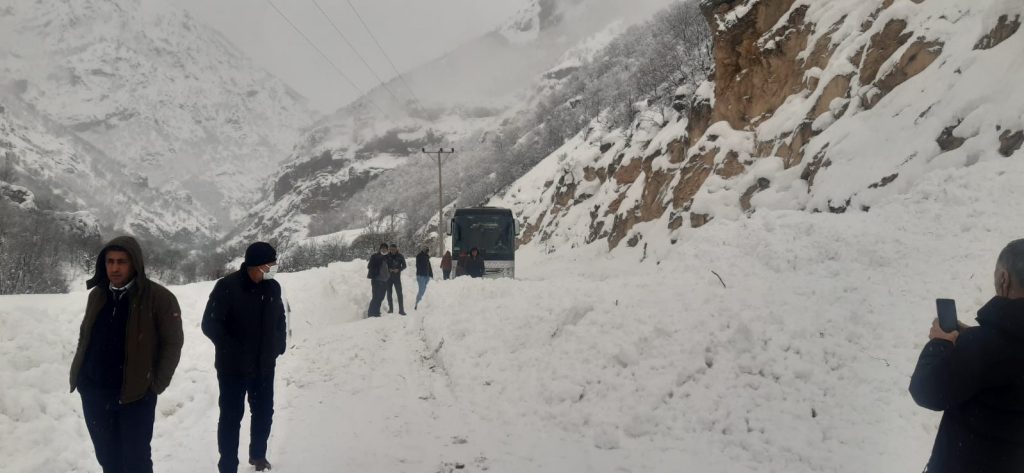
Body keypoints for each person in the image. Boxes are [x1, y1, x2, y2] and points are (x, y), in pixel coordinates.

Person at [69, 235, 184, 473]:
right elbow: (85, 335)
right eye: (110, 261)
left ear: (135, 264)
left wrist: (155, 385)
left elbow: (172, 343)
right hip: (95, 394)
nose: (114, 268)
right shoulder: (98, 295)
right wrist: (81, 379)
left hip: (135, 397)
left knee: (136, 462)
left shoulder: (159, 298)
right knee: (108, 459)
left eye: (121, 262)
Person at [909, 239, 1024, 472]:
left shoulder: (984, 348)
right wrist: (969, 336)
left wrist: (940, 342)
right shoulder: (988, 345)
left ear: (1004, 278)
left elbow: (926, 390)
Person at [202, 242, 287, 473]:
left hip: (264, 366)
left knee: (264, 413)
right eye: (270, 265)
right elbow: (210, 324)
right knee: (231, 418)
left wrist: (279, 344)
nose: (273, 269)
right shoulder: (227, 287)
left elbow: (280, 318)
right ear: (256, 266)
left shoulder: (273, 287)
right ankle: (228, 466)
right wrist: (234, 351)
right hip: (233, 369)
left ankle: (258, 455)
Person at [366, 243, 390, 317]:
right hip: (377, 280)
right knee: (376, 297)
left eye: (385, 248)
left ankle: (376, 312)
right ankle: (371, 313)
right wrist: (381, 258)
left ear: (387, 249)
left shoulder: (388, 257)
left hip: (385, 281)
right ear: (380, 249)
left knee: (381, 297)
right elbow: (369, 266)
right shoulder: (375, 256)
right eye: (382, 248)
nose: (384, 249)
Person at [385, 243, 407, 315]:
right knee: (389, 294)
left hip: (397, 278)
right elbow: (384, 266)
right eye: (391, 249)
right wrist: (388, 269)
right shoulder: (387, 256)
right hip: (388, 278)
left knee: (399, 293)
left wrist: (398, 269)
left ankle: (401, 310)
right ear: (389, 249)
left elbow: (404, 266)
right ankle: (390, 309)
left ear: (396, 249)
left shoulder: (400, 256)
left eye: (394, 249)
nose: (392, 251)